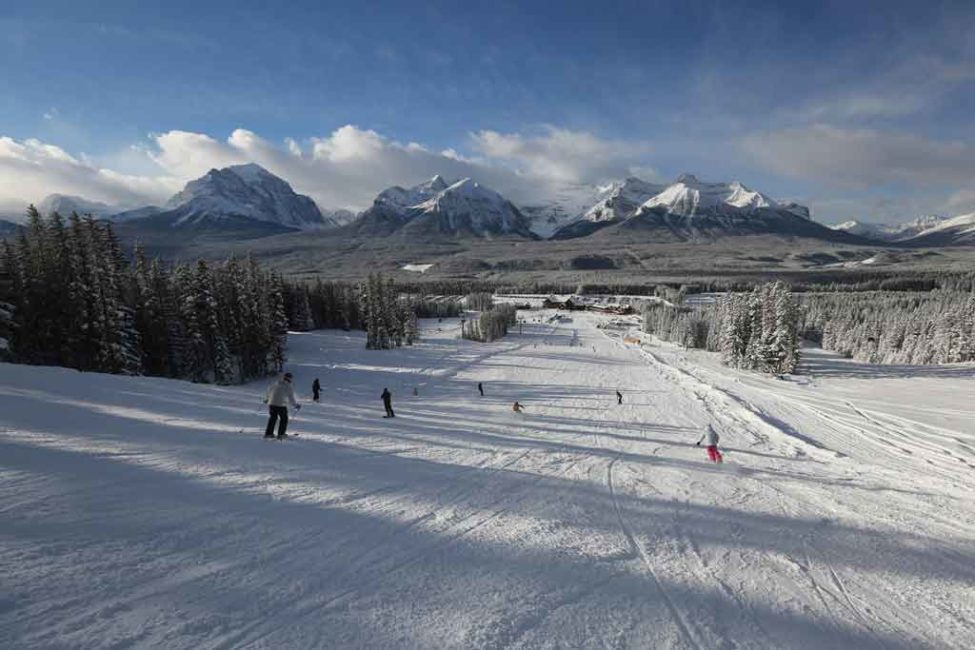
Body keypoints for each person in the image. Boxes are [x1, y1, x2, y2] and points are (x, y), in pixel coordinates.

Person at [264, 372, 300, 439]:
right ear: (289, 379)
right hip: (281, 404)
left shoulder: (275, 383)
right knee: (284, 419)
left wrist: (266, 399)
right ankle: (281, 434)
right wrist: (296, 405)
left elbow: (268, 391)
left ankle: (268, 433)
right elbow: (291, 398)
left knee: (272, 418)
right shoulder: (288, 386)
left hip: (271, 404)